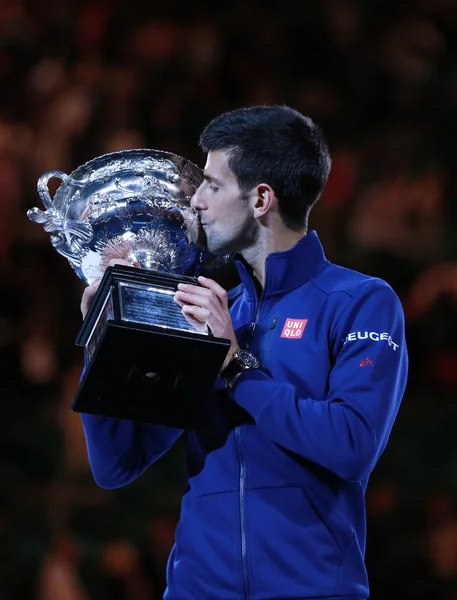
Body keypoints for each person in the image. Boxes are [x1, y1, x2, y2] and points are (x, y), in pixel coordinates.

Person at [80, 105, 408, 600]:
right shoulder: (210, 311)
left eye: (212, 185)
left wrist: (236, 367)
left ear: (260, 199)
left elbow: (351, 445)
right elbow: (116, 466)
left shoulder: (360, 301)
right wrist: (105, 338)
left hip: (312, 590)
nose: (196, 204)